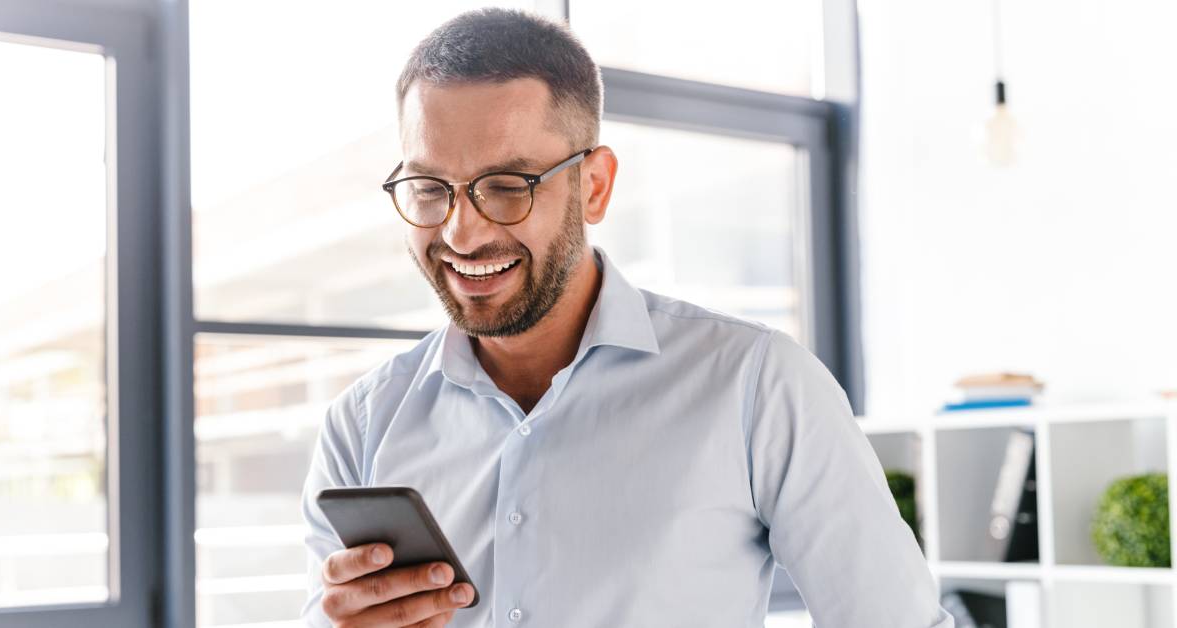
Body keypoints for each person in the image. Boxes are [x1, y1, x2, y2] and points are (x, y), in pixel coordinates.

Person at [300, 8, 953, 628]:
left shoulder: (756, 384)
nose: (462, 232)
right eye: (429, 188)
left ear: (595, 186)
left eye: (507, 186)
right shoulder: (362, 426)